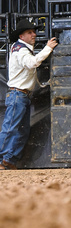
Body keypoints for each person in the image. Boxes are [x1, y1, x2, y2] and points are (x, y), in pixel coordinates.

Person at [0, 20, 58, 170]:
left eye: (33, 32)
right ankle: (5, 158)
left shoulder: (20, 48)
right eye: (29, 32)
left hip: (20, 95)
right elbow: (32, 63)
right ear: (22, 36)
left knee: (19, 129)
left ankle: (9, 159)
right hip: (18, 95)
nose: (33, 35)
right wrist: (47, 49)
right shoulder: (21, 50)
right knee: (11, 128)